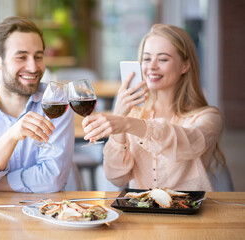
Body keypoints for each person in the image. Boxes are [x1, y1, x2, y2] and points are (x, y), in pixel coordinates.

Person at [82, 24, 225, 191]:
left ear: (185, 65)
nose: (151, 67)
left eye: (163, 59)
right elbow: (117, 179)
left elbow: (188, 143)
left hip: (190, 214)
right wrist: (119, 118)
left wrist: (127, 123)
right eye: (147, 58)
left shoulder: (209, 117)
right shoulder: (133, 114)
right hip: (142, 213)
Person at [0, 17, 74, 196]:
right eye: (21, 57)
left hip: (46, 214)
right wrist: (10, 136)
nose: (33, 67)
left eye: (38, 57)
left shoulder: (57, 102)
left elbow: (52, 179)